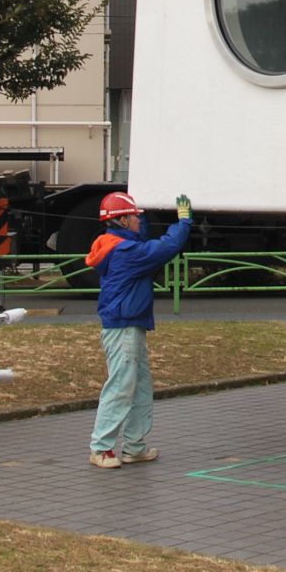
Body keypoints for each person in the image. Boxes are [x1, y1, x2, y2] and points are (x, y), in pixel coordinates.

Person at [85, 191, 191, 469]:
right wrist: (184, 222)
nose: (137, 220)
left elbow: (140, 238)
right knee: (121, 387)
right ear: (121, 221)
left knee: (139, 388)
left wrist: (140, 202)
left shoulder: (117, 244)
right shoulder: (125, 252)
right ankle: (101, 448)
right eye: (134, 216)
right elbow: (165, 248)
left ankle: (134, 447)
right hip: (124, 327)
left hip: (129, 325)